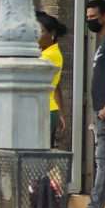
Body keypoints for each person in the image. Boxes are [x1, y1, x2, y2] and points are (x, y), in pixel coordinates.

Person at [72, 0, 105, 208]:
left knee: (103, 159)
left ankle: (95, 207)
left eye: (93, 17)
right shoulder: (103, 41)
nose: (90, 22)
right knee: (104, 159)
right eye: (87, 18)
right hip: (101, 110)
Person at [36, 11, 67, 147]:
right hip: (45, 108)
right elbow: (57, 87)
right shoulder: (45, 52)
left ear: (52, 34)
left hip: (44, 110)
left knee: (40, 155)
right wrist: (61, 111)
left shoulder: (49, 56)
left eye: (41, 31)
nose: (36, 36)